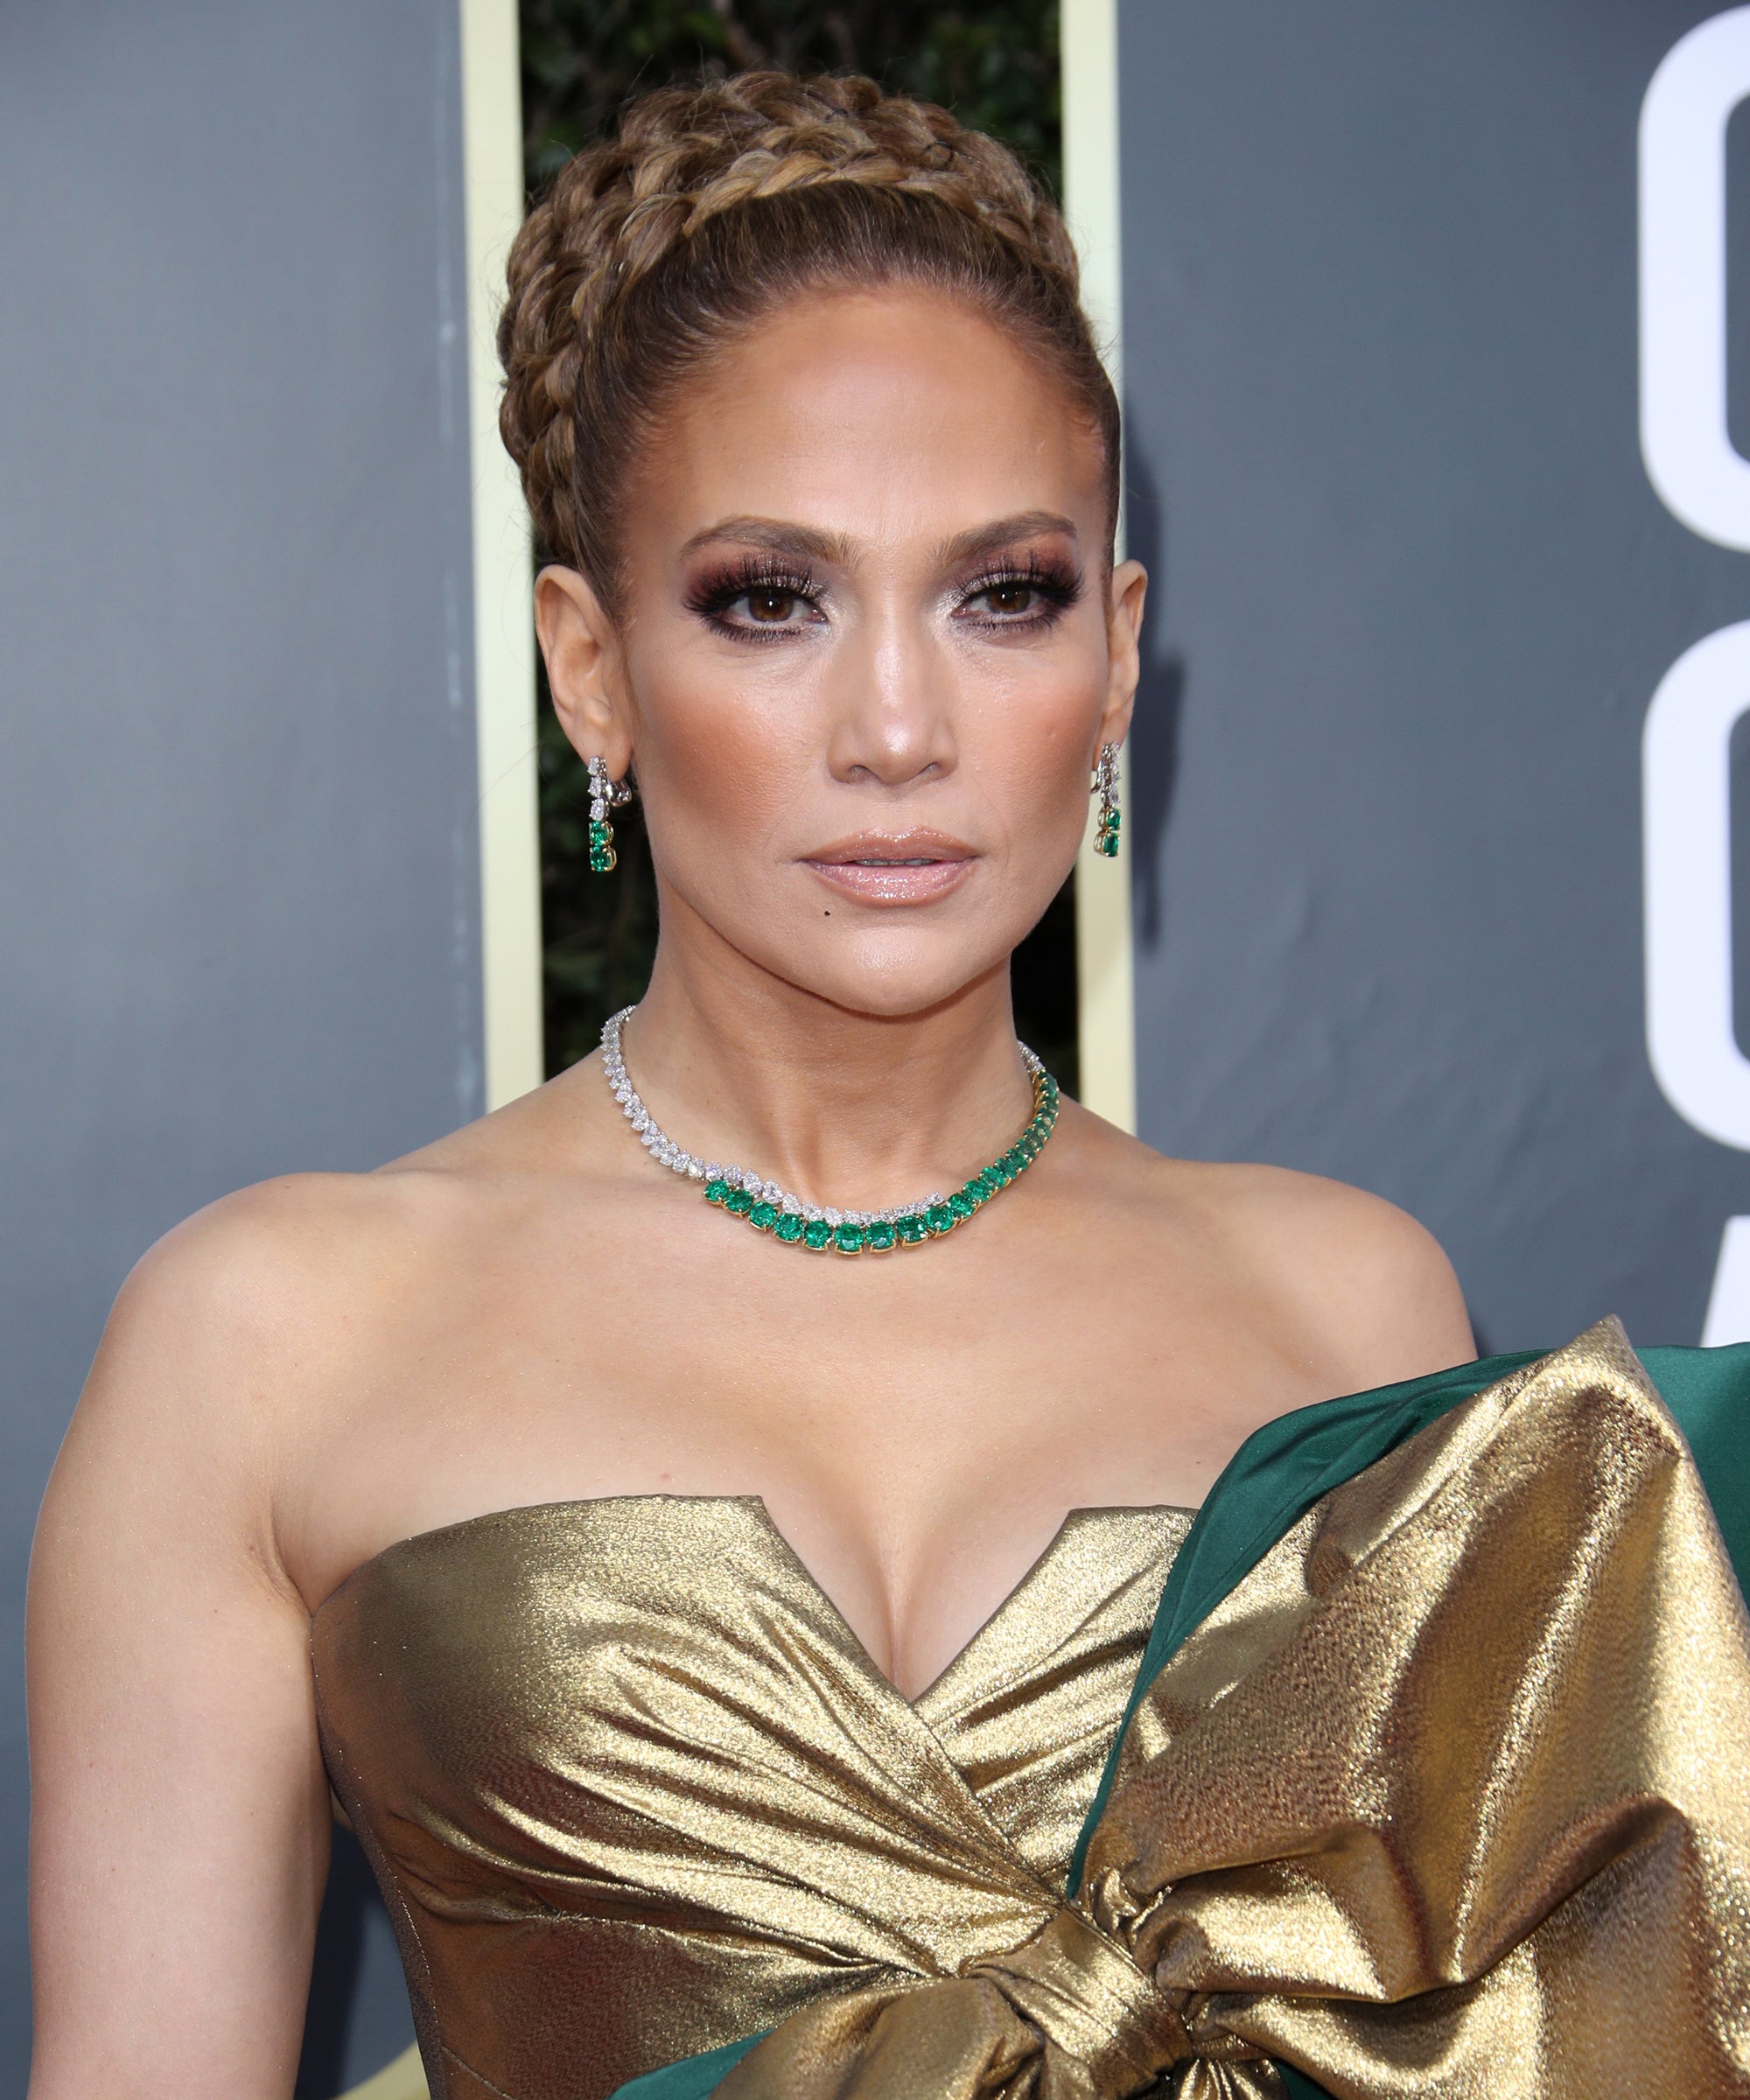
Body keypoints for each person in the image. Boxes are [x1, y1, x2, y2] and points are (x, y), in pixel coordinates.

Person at [24, 70, 1750, 2100]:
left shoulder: (1342, 1304)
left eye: (1000, 595)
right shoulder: (272, 1335)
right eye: (771, 602)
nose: (899, 726)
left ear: (1114, 661)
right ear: (591, 669)